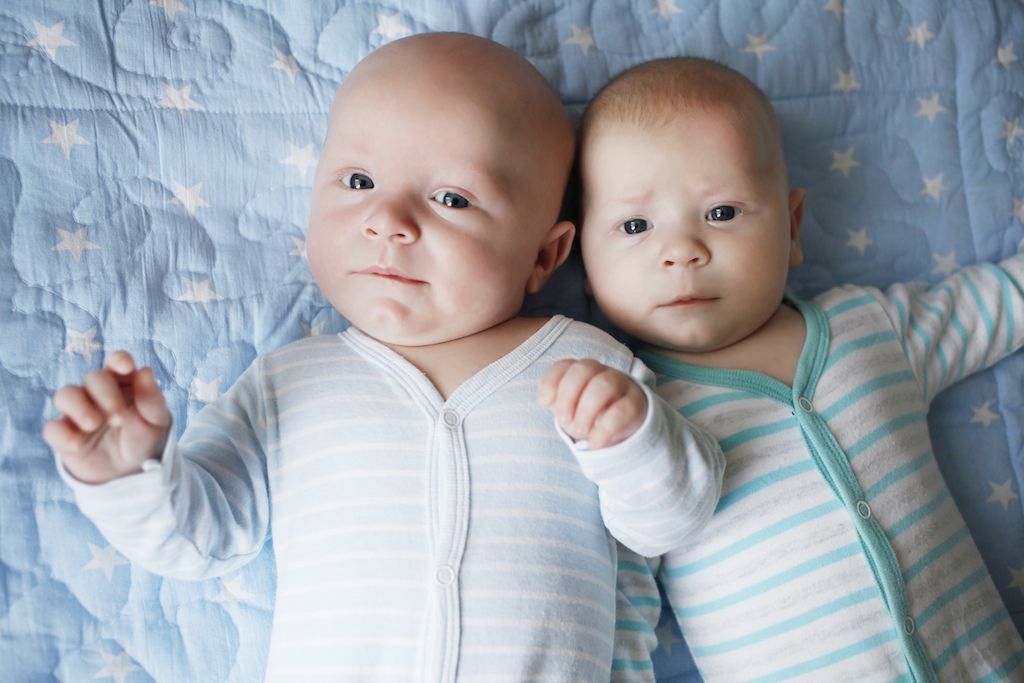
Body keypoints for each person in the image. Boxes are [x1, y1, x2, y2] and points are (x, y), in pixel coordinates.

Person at [42, 34, 724, 682]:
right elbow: (203, 541)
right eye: (358, 180)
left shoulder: (591, 366)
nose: (388, 218)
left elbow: (669, 522)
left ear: (546, 255)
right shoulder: (289, 383)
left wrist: (632, 442)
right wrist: (127, 473)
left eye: (452, 197)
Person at [577, 56, 1024, 681]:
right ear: (583, 263)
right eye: (634, 225)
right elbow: (639, 553)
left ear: (791, 227)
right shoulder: (638, 412)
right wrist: (622, 439)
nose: (681, 251)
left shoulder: (870, 327)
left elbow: (998, 302)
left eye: (723, 213)